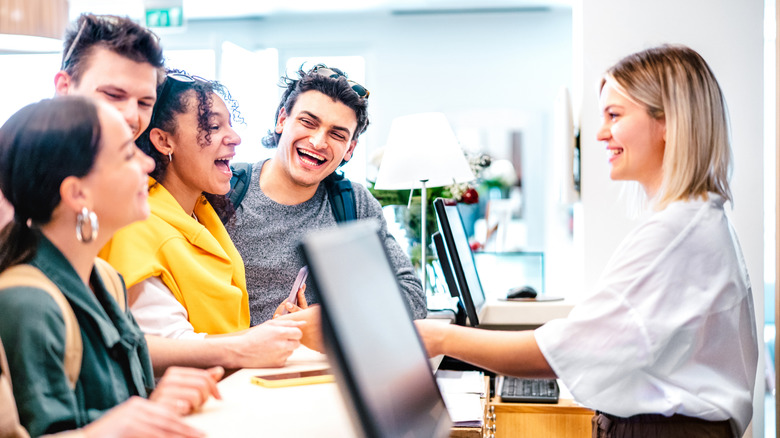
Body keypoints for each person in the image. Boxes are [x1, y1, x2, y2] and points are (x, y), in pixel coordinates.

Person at [415, 45, 758, 438]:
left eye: (614, 115)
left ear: (668, 123)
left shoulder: (674, 234)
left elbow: (564, 351)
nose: (599, 134)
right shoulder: (694, 220)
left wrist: (439, 336)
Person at [0, 97, 222, 437]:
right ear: (77, 194)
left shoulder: (106, 279)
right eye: (127, 154)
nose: (147, 163)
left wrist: (155, 403)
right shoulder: (25, 302)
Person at [100, 71, 312, 370]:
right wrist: (252, 342)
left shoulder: (201, 215)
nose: (235, 138)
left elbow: (212, 338)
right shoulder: (138, 228)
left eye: (230, 124)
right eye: (213, 126)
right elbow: (168, 343)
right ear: (163, 140)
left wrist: (267, 333)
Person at [225, 64, 427, 324]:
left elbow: (413, 299)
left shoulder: (353, 203)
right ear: (282, 120)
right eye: (308, 122)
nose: (318, 142)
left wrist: (329, 320)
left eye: (337, 134)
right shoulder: (225, 191)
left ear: (349, 149)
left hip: (322, 365)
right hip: (239, 361)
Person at [0, 13, 163, 234]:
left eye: (145, 103)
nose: (132, 116)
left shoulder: (129, 182)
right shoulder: (13, 174)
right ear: (65, 87)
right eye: (114, 95)